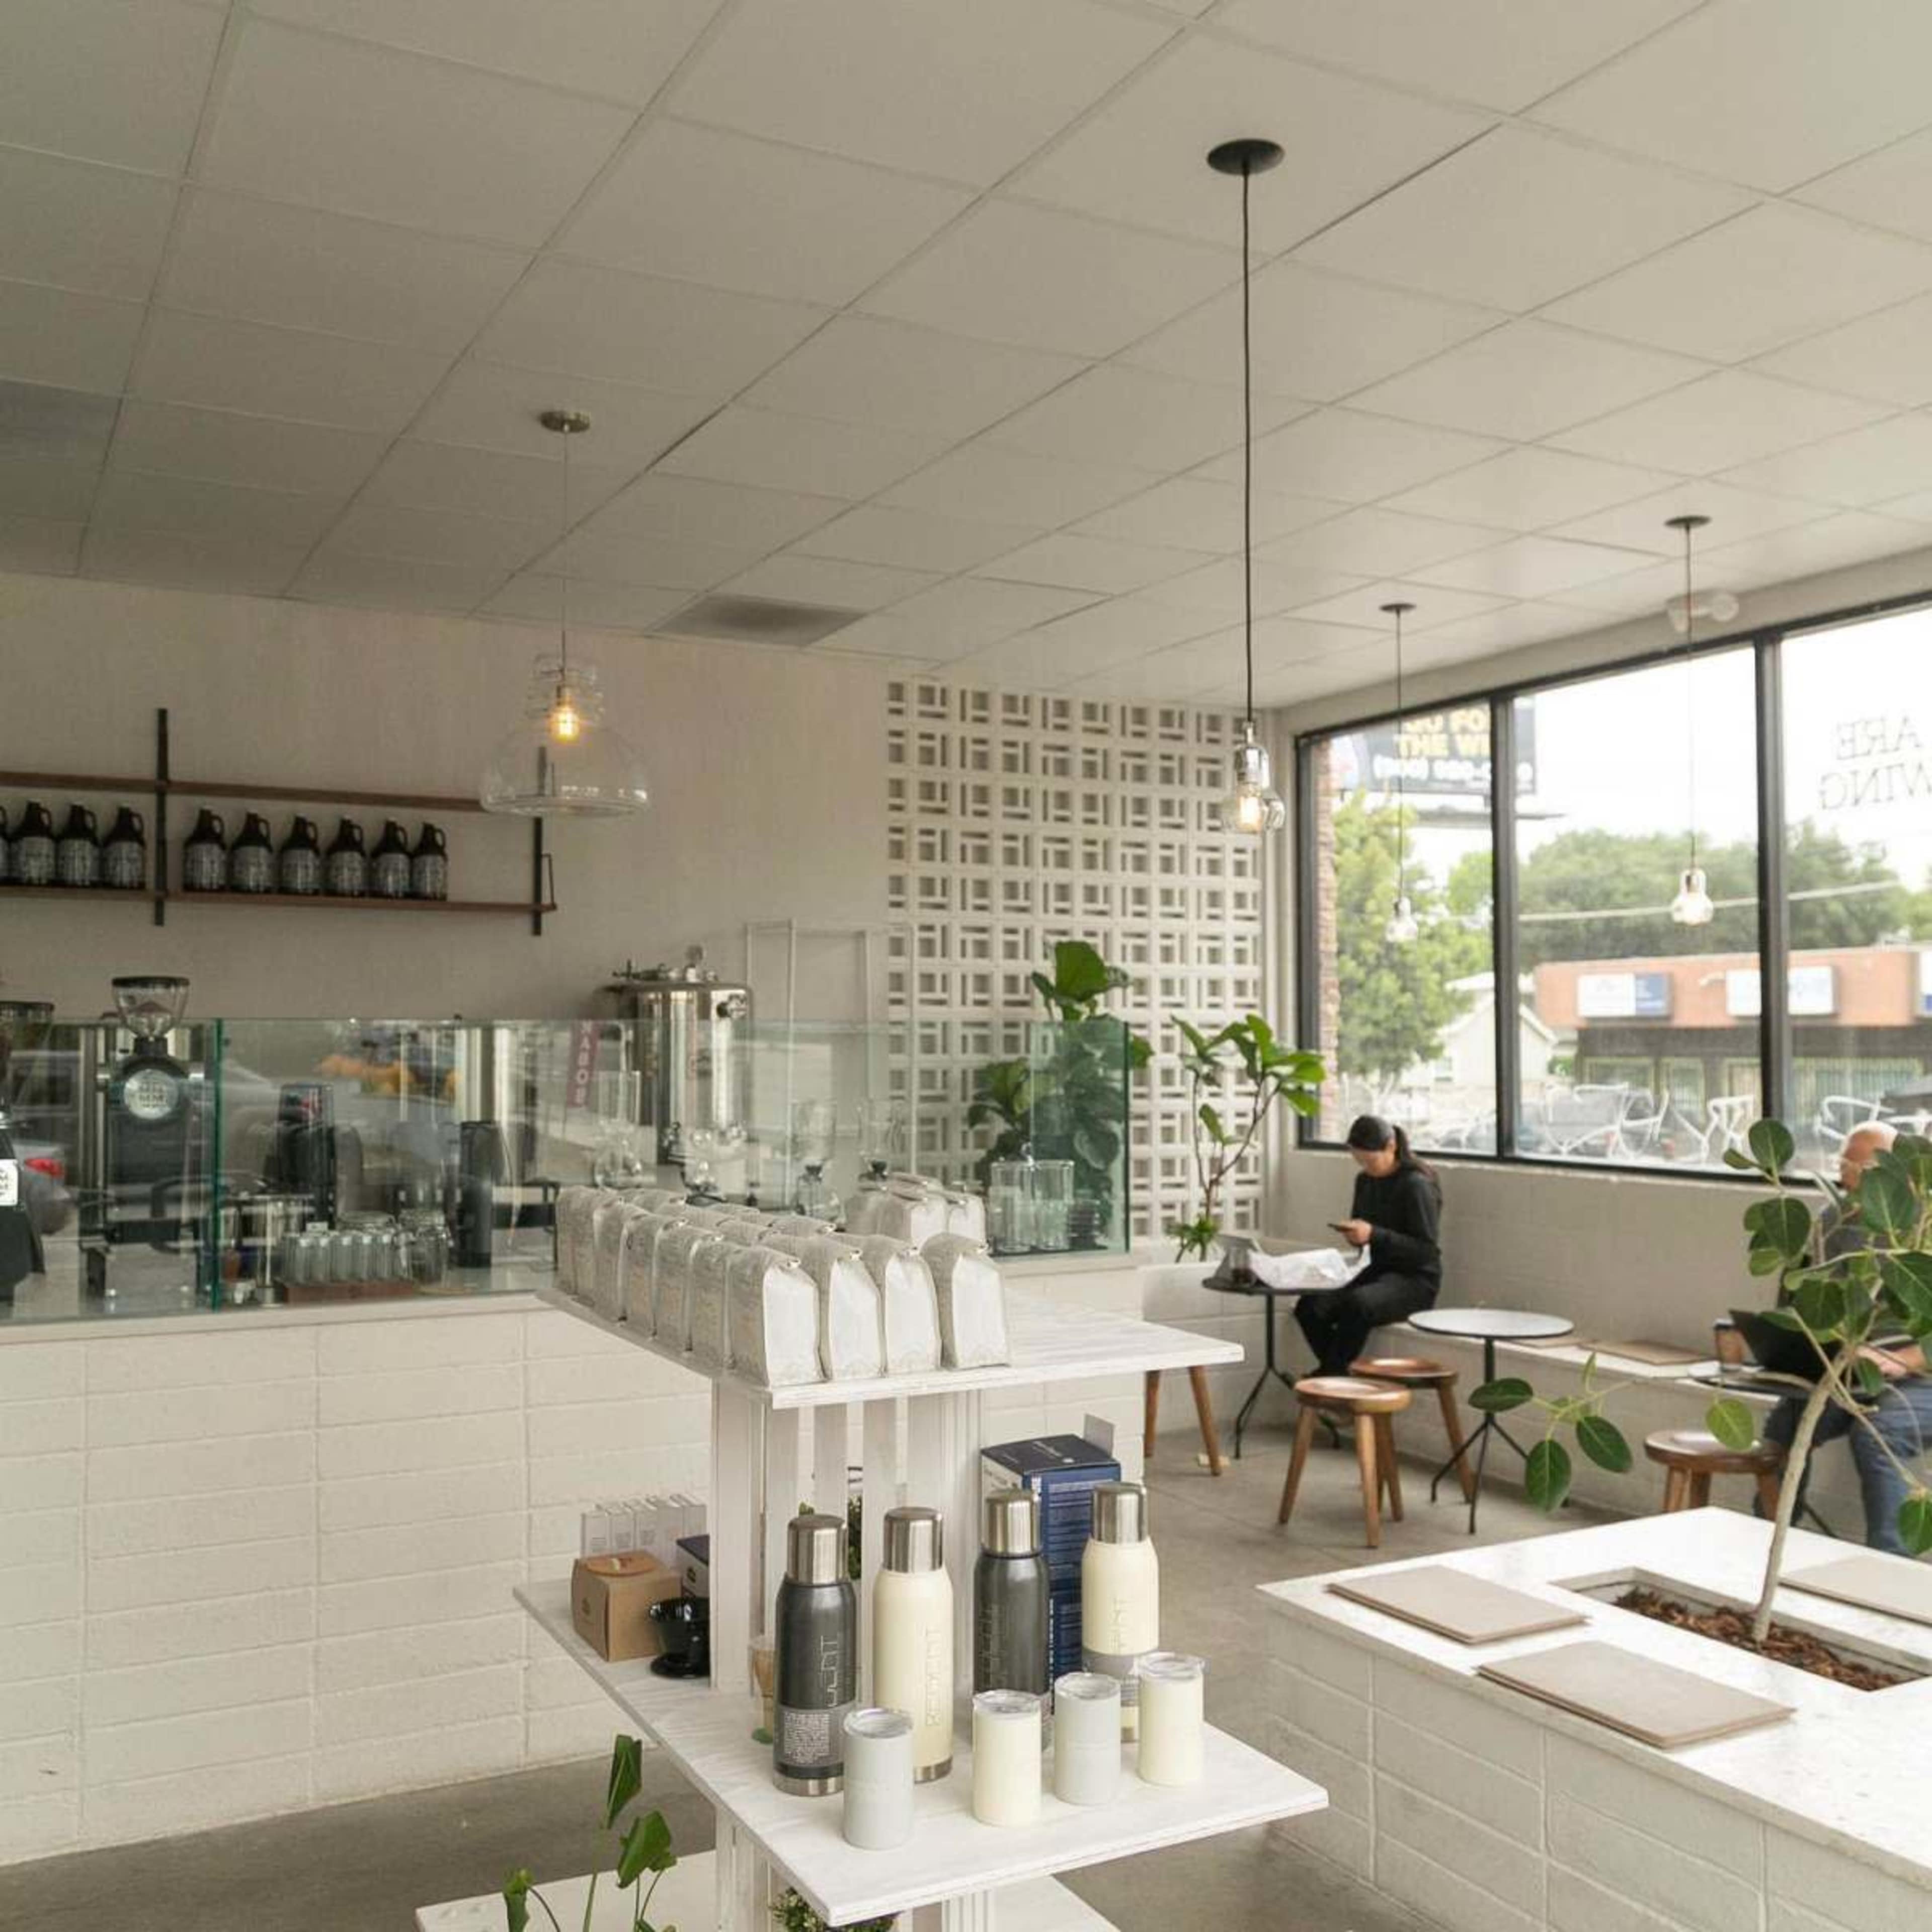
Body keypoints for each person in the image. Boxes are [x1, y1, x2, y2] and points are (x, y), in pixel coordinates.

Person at [1760, 1121, 1932, 1556]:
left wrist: (1906, 1359)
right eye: (1844, 1163)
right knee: (1789, 1419)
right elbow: (1800, 1304)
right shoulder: (1831, 1223)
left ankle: (1889, 1566)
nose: (1848, 1174)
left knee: (1878, 1432)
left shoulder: (1923, 1227)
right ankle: (1767, 1544)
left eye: (1862, 1165)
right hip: (1851, 1368)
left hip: (1920, 1376)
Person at [1295, 1115, 1441, 1380]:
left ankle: (1330, 1377)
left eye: (1370, 1160)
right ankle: (1337, 1374)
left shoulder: (1415, 1186)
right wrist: (1355, 1236)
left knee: (1358, 1304)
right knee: (1310, 1306)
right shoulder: (1364, 1181)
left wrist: (1374, 1234)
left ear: (1391, 1147)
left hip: (1415, 1280)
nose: (1366, 1167)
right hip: (1375, 1271)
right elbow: (1365, 1231)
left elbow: (1425, 1252)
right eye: (1359, 1160)